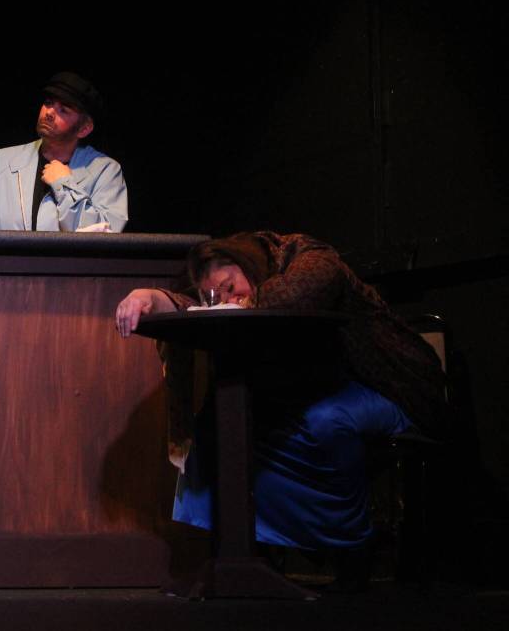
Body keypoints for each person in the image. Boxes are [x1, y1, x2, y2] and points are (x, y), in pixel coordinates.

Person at [115, 231, 448, 584]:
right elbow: (195, 306)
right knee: (224, 426)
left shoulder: (308, 255)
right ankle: (257, 551)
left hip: (387, 383)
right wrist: (149, 296)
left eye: (230, 286)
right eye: (216, 294)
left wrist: (226, 305)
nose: (229, 299)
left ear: (247, 264)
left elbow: (304, 290)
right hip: (320, 389)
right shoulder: (248, 292)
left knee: (325, 421)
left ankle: (351, 545)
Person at [0, 72, 128, 232]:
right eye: (48, 103)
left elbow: (105, 236)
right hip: (9, 265)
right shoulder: (3, 162)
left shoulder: (106, 171)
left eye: (64, 110)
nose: (49, 112)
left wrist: (63, 184)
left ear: (84, 129)